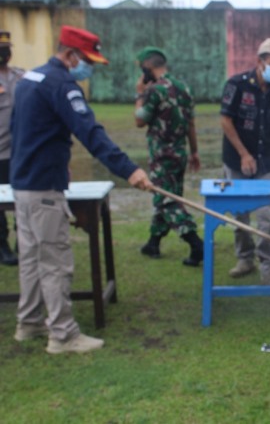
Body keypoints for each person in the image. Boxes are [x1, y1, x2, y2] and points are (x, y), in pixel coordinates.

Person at [10, 25, 153, 354]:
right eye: (86, 61)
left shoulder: (30, 79)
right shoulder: (63, 86)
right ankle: (62, 335)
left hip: (24, 184)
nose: (88, 69)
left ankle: (28, 322)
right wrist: (129, 170)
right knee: (55, 261)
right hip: (44, 189)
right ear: (71, 55)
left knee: (31, 258)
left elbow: (23, 132)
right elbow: (91, 134)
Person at [220, 37, 270, 285]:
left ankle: (269, 269)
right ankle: (245, 259)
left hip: (264, 163)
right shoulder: (237, 85)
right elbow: (226, 121)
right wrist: (243, 153)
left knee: (267, 218)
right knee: (240, 215)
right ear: (260, 61)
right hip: (236, 160)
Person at [134, 46, 204, 266]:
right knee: (167, 196)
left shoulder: (154, 91)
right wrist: (194, 151)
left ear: (148, 67)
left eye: (141, 69)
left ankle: (196, 244)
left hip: (161, 155)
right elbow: (191, 123)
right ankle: (153, 242)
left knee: (167, 201)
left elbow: (139, 121)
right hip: (179, 153)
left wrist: (139, 94)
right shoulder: (183, 88)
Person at [0, 29, 23, 266]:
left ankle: (23, 241)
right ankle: (2, 246)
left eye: (6, 49)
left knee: (22, 198)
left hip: (20, 151)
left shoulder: (20, 76)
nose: (4, 53)